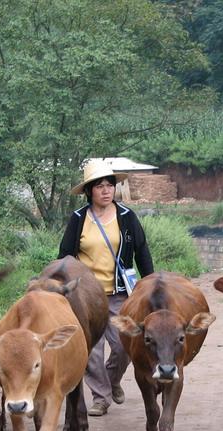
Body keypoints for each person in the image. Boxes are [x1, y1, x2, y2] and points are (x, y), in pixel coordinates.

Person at [59, 159, 154, 416]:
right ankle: (100, 397)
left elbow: (141, 252)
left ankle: (112, 381)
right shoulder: (78, 219)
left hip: (120, 294)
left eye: (109, 185)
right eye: (99, 186)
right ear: (89, 191)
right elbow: (65, 257)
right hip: (87, 297)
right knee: (91, 350)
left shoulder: (126, 216)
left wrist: (150, 285)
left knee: (125, 346)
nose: (105, 190)